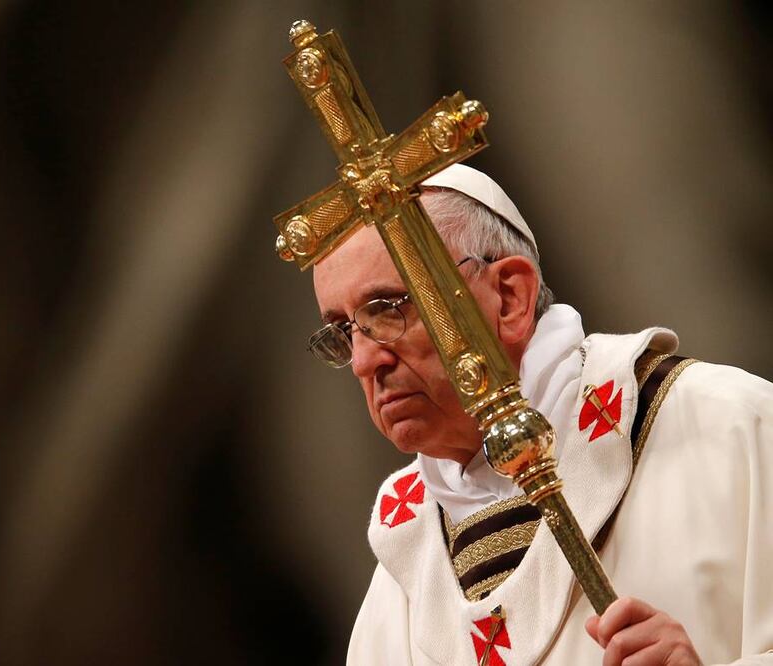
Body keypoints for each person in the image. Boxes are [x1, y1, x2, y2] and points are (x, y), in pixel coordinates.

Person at [308, 164, 773, 665]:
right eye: (343, 331)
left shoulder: (728, 424)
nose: (364, 362)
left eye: (387, 309)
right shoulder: (405, 559)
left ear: (510, 297)